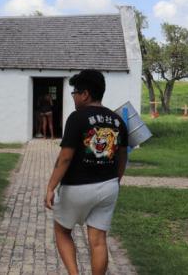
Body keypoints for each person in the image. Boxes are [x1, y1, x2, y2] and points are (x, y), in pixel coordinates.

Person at [44, 69, 128, 275]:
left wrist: (50, 187)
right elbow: (123, 156)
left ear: (85, 94)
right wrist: (115, 181)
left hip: (77, 187)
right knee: (98, 241)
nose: (73, 96)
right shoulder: (118, 120)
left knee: (62, 231)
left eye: (74, 92)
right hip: (108, 186)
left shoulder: (77, 117)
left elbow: (65, 157)